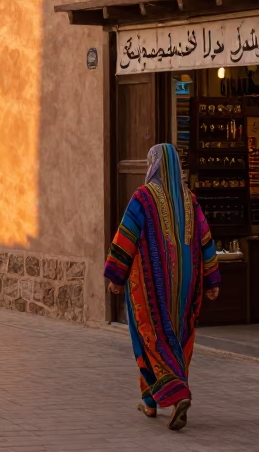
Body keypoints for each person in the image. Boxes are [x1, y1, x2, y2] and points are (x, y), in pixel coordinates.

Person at [104, 143, 221, 432]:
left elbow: (127, 236)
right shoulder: (189, 199)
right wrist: (211, 279)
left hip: (149, 285)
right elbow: (206, 239)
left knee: (149, 335)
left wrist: (116, 276)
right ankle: (149, 400)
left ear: (155, 165)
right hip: (186, 287)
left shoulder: (143, 198)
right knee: (177, 336)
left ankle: (176, 394)